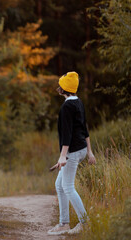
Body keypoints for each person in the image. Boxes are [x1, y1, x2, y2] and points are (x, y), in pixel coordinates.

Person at [47, 71, 96, 235]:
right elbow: (84, 128)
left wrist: (63, 156)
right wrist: (89, 152)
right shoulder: (78, 102)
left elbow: (67, 134)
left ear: (64, 88)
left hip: (73, 151)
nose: (58, 86)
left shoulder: (67, 107)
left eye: (60, 84)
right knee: (59, 186)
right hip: (80, 149)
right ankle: (64, 223)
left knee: (67, 187)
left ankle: (84, 223)